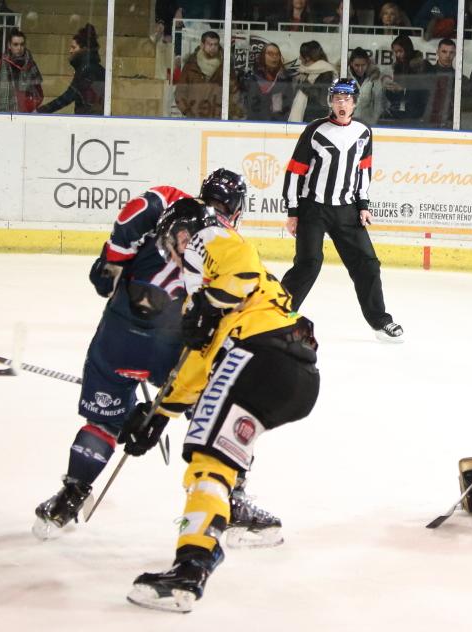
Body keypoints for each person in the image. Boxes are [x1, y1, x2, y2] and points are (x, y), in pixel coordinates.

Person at [33, 171, 281, 544]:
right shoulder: (232, 244)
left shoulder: (170, 205)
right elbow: (237, 303)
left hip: (120, 335)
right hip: (175, 347)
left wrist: (111, 261)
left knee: (102, 421)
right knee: (218, 420)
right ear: (238, 209)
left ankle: (69, 497)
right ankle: (232, 501)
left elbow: (136, 212)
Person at [126, 182, 320, 614]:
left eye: (176, 238)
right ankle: (220, 530)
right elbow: (196, 362)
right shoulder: (204, 297)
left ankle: (191, 568)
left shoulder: (208, 237)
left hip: (258, 352)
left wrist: (208, 303)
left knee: (208, 459)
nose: (177, 249)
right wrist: (158, 415)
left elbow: (241, 269)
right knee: (217, 456)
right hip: (293, 370)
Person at [281, 78, 403, 342]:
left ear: (355, 103)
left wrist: (363, 205)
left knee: (368, 265)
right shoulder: (315, 131)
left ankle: (380, 321)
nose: (341, 103)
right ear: (330, 102)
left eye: (346, 99)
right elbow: (295, 171)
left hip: (347, 209)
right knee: (308, 264)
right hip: (313, 208)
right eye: (337, 98)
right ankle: (276, 315)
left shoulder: (363, 132)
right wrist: (293, 211)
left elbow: (364, 171)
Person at [37, 23, 105, 115]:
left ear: (84, 48)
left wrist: (42, 110)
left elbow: (69, 96)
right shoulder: (94, 68)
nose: (70, 51)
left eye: (73, 47)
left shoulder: (86, 70)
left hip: (89, 118)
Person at [0, 28, 43, 113]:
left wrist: (28, 106)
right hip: (1, 113)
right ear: (9, 45)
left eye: (22, 44)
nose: (19, 48)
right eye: (15, 44)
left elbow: (39, 94)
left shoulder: (30, 66)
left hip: (24, 114)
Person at [241, 42, 296, 122]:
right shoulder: (252, 79)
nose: (274, 57)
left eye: (277, 54)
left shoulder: (285, 79)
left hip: (277, 124)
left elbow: (286, 107)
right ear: (263, 56)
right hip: (255, 124)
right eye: (270, 54)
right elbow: (249, 106)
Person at [175, 31, 224, 119]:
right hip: (194, 118)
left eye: (215, 44)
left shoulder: (225, 66)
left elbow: (233, 92)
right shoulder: (191, 65)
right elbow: (180, 92)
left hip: (217, 118)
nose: (213, 47)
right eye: (210, 44)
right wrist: (187, 111)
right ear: (202, 45)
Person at [288, 40, 337, 123]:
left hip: (316, 120)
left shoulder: (327, 73)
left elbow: (322, 100)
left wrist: (304, 82)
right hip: (305, 119)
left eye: (301, 55)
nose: (299, 58)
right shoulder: (305, 72)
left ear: (307, 57)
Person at [348, 47, 385, 126]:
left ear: (367, 63)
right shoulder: (343, 77)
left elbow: (378, 104)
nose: (360, 69)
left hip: (368, 125)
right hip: (347, 125)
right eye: (357, 65)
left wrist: (373, 122)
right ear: (351, 63)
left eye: (363, 65)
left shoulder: (374, 79)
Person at [425, 38, 456, 129]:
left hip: (451, 124)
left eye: (451, 52)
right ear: (437, 52)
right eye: (444, 52)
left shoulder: (460, 79)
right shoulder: (426, 74)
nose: (448, 55)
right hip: (427, 123)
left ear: (455, 54)